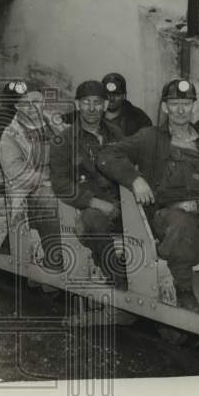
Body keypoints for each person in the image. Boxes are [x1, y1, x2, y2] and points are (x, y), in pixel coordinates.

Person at [98, 79, 199, 310]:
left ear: (194, 106)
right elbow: (107, 155)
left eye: (186, 104)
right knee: (181, 224)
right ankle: (185, 291)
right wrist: (134, 179)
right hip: (166, 215)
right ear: (165, 107)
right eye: (174, 103)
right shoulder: (149, 138)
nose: (180, 110)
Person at [49, 80, 126, 286]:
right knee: (94, 218)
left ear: (105, 105)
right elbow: (61, 184)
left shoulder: (117, 134)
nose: (92, 108)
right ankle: (117, 278)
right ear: (77, 105)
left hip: (120, 204)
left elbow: (129, 167)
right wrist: (94, 203)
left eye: (97, 102)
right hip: (85, 210)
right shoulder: (63, 140)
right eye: (86, 102)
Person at [0, 81, 62, 269]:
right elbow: (17, 174)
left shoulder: (56, 124)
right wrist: (49, 181)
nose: (32, 107)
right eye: (25, 103)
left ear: (43, 101)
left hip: (60, 183)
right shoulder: (10, 136)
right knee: (50, 200)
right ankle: (54, 259)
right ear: (16, 107)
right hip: (29, 195)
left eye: (36, 100)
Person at [102, 72, 153, 137]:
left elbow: (148, 142)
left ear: (124, 95)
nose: (111, 99)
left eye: (116, 94)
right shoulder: (92, 114)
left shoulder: (139, 118)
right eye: (107, 94)